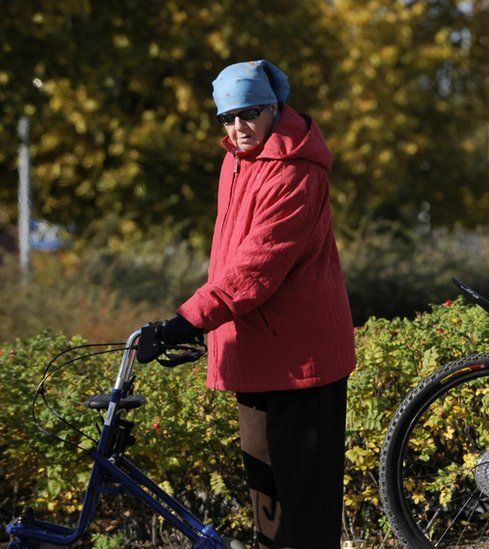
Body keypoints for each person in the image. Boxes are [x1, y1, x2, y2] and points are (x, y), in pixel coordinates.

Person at [158, 60, 356, 549]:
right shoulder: (236, 160)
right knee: (266, 499)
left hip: (302, 360)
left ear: (274, 108)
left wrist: (188, 320)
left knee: (306, 507)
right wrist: (208, 328)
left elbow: (257, 266)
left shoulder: (297, 173)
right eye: (226, 117)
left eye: (248, 113)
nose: (237, 127)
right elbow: (231, 258)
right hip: (255, 349)